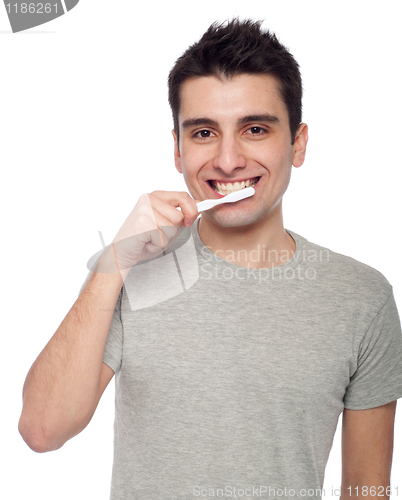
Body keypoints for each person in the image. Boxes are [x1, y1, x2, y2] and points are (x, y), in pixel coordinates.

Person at [18, 18, 402, 500]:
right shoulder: (131, 272)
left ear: (298, 144)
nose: (227, 160)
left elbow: (367, 490)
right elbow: (42, 430)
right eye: (203, 133)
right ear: (177, 150)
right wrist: (113, 265)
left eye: (255, 128)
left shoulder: (361, 298)